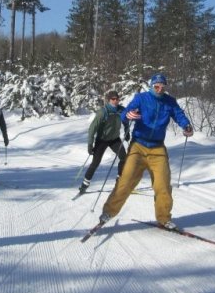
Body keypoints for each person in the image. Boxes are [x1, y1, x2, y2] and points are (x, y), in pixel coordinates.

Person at [98, 73, 194, 230]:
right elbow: (125, 113)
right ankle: (108, 212)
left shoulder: (169, 102)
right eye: (156, 86)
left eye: (163, 87)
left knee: (163, 185)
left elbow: (179, 114)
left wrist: (186, 125)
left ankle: (164, 218)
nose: (159, 89)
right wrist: (128, 116)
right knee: (126, 181)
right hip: (138, 146)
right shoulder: (141, 98)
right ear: (151, 86)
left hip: (158, 149)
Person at [79, 90, 129, 194]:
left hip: (114, 139)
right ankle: (84, 185)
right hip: (102, 140)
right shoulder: (103, 112)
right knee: (95, 163)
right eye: (113, 99)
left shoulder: (121, 110)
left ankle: (119, 181)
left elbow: (126, 120)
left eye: (117, 99)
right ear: (109, 100)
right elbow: (92, 128)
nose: (115, 101)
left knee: (124, 157)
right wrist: (90, 143)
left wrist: (127, 132)